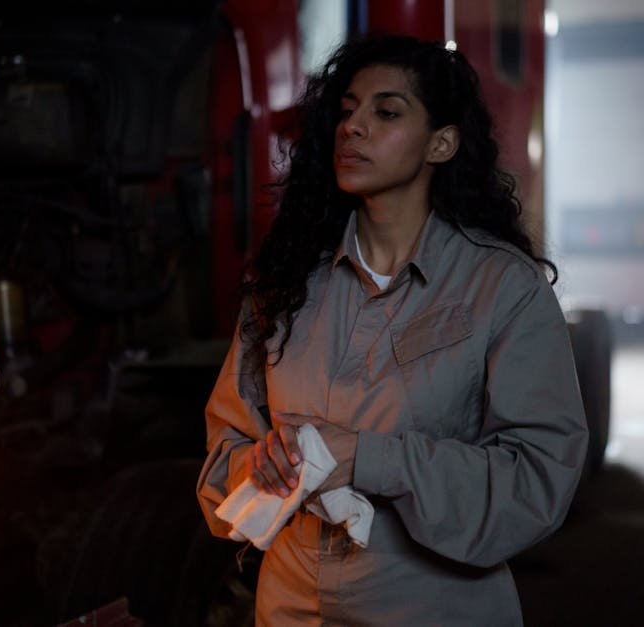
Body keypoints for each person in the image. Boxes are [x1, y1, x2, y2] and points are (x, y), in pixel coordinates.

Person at [197, 34, 588, 625]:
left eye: (386, 112)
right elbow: (223, 453)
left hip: (432, 606)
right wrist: (261, 465)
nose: (353, 127)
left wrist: (371, 460)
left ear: (441, 144)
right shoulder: (285, 284)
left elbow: (537, 481)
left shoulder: (501, 288)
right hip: (289, 608)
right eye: (348, 110)